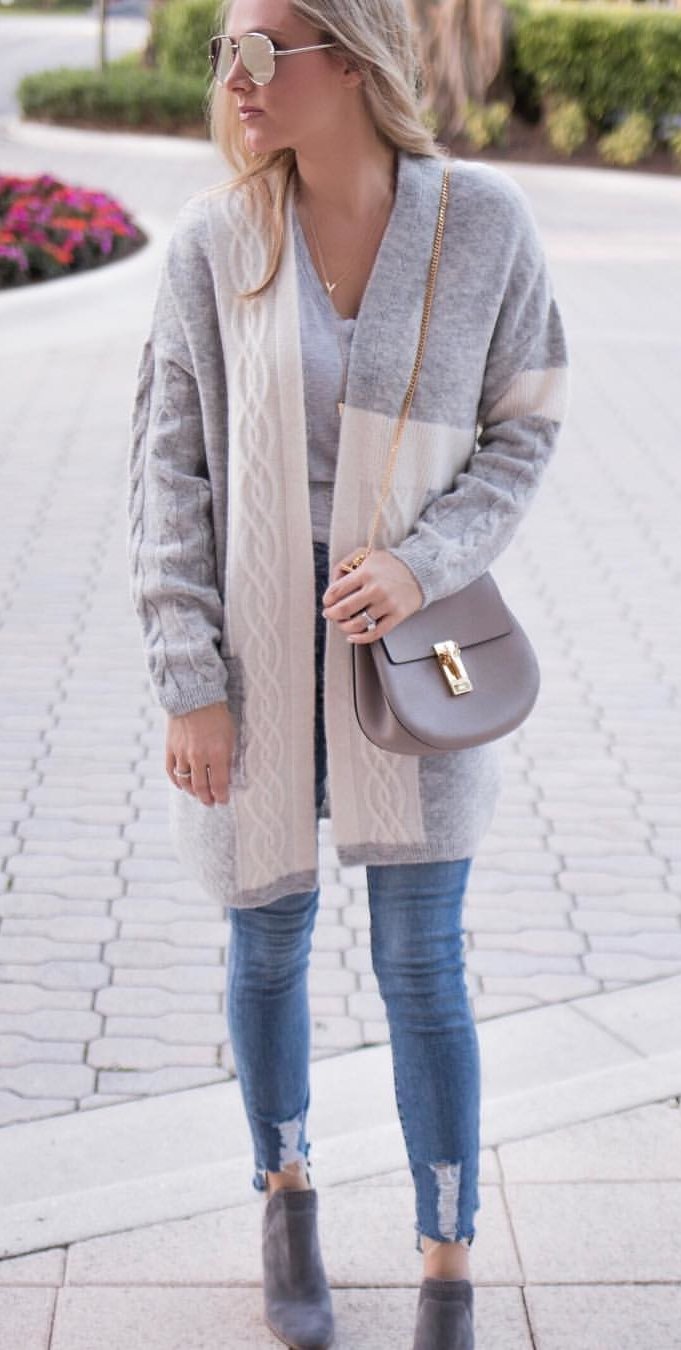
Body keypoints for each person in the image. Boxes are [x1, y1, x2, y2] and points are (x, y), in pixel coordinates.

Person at [126, 1, 569, 1345]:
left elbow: (525, 425)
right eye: (224, 54)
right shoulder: (216, 244)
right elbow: (168, 470)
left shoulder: (478, 223)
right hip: (254, 657)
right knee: (264, 941)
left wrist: (421, 562)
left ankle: (446, 1262)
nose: (237, 81)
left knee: (420, 961)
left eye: (265, 53)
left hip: (410, 657)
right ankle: (288, 1194)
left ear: (353, 61)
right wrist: (185, 671)